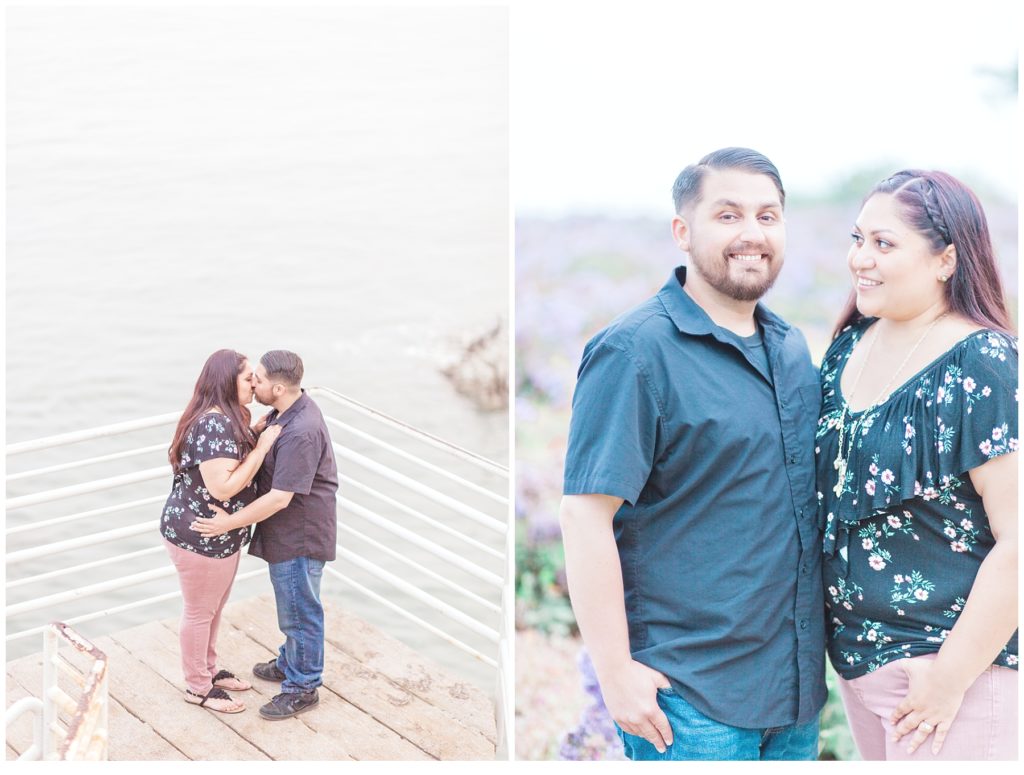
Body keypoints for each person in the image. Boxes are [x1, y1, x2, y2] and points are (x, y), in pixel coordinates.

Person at [559, 148, 826, 761]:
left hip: (794, 697)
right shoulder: (634, 351)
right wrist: (616, 673)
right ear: (683, 231)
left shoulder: (790, 349)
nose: (752, 234)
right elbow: (584, 515)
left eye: (768, 215)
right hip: (688, 701)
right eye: (728, 215)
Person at [817, 169, 1018, 760]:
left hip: (951, 675)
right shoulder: (851, 344)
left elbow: (1019, 539)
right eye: (858, 239)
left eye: (884, 244)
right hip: (860, 669)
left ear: (945, 260)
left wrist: (948, 679)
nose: (861, 259)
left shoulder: (981, 361)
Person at [192, 349, 339, 721]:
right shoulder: (283, 412)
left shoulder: (300, 431)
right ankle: (292, 660)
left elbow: (278, 498)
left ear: (277, 387)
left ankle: (303, 685)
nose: (252, 383)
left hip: (299, 534)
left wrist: (228, 523)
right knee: (293, 605)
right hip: (290, 529)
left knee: (300, 612)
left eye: (256, 378)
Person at [161, 349, 281, 714]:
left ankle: (209, 670)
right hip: (200, 536)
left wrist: (254, 432)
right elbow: (223, 488)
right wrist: (260, 449)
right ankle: (197, 686)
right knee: (200, 612)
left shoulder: (231, 417)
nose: (254, 384)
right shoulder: (213, 423)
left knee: (213, 608)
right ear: (228, 382)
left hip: (221, 534)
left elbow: (229, 456)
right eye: (248, 378)